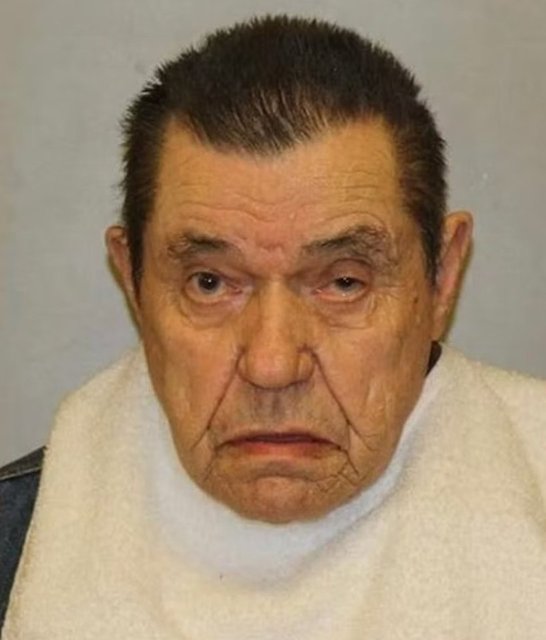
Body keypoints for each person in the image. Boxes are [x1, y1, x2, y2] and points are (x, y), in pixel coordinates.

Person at [1, 14, 544, 639]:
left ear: (441, 278)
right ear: (133, 281)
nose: (272, 365)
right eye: (210, 283)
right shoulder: (17, 542)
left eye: (344, 282)